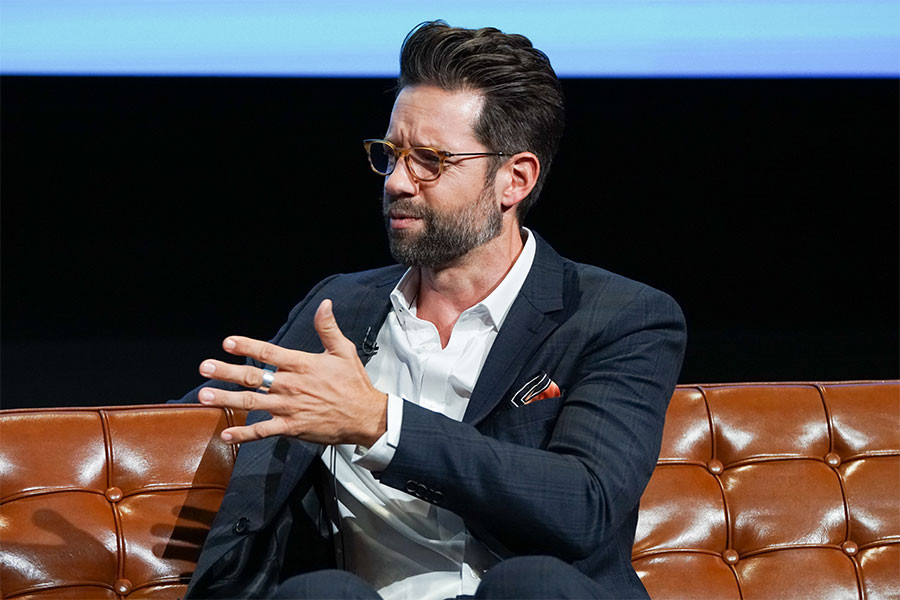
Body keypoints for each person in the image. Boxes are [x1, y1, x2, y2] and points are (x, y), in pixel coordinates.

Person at [177, 20, 686, 600]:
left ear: (514, 180)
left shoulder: (619, 317)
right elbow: (198, 422)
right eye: (391, 154)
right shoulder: (342, 308)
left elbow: (583, 505)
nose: (397, 182)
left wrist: (379, 422)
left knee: (532, 585)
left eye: (429, 160)